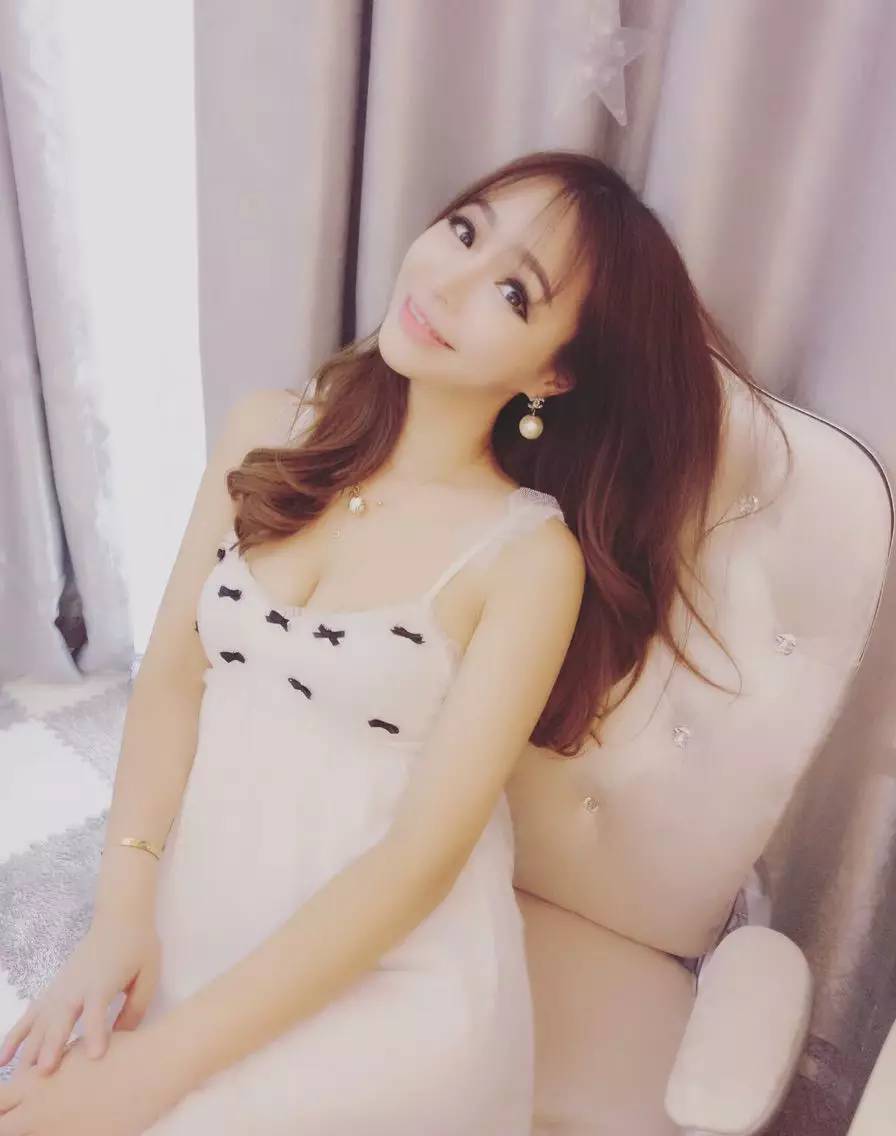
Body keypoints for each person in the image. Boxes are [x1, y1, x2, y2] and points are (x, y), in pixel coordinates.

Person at [0, 150, 787, 1134]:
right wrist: (119, 914)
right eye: (463, 230)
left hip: (387, 977)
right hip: (198, 914)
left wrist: (155, 1068)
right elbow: (168, 682)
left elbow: (419, 860)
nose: (449, 281)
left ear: (554, 371)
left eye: (512, 291)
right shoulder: (263, 433)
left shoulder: (527, 558)